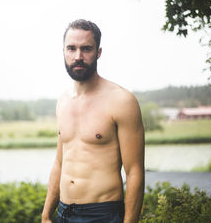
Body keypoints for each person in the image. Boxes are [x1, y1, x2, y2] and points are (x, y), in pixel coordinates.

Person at [41, 19, 145, 223]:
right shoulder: (62, 101)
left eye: (86, 49)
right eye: (71, 48)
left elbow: (134, 172)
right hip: (63, 213)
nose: (78, 56)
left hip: (102, 214)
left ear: (98, 52)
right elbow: (59, 163)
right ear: (63, 51)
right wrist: (46, 214)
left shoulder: (122, 101)